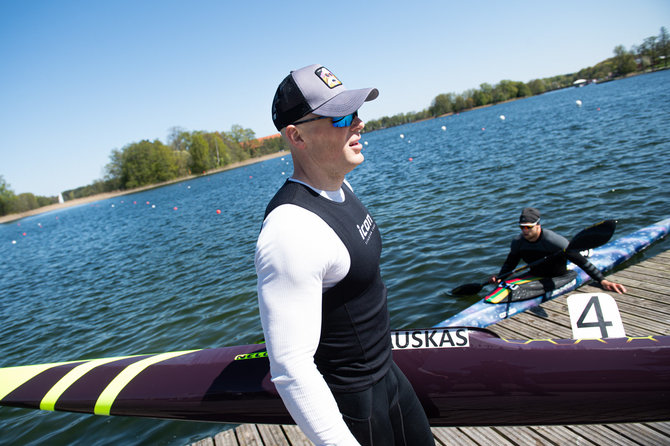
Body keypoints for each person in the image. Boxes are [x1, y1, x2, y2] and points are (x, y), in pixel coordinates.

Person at [255, 64, 435, 446]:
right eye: (341, 117)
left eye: (355, 112)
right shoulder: (290, 230)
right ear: (296, 136)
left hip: (388, 379)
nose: (359, 123)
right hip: (352, 406)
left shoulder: (341, 187)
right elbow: (290, 367)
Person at [489, 207, 627, 294]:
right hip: (536, 273)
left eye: (528, 227)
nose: (524, 230)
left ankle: (585, 253)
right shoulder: (517, 242)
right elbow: (510, 263)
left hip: (559, 275)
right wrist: (500, 277)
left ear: (538, 226)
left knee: (574, 255)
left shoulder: (554, 241)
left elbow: (581, 262)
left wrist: (603, 281)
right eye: (522, 227)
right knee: (503, 287)